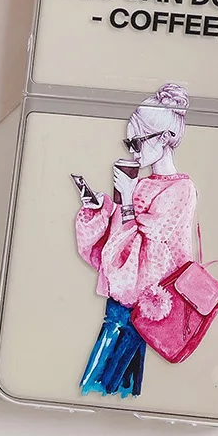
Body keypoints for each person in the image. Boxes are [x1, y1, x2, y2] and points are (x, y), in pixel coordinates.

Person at [74, 83, 196, 397]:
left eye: (138, 141)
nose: (133, 150)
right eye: (130, 142)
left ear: (165, 138)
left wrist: (126, 200)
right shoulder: (140, 184)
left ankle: (104, 397)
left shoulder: (181, 190)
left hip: (148, 301)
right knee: (116, 376)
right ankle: (108, 399)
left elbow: (152, 250)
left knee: (109, 375)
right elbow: (119, 236)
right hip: (123, 298)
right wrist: (100, 207)